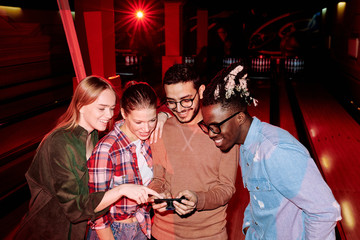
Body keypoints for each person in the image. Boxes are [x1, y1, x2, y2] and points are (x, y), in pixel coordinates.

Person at [199, 62, 342, 239]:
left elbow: (324, 211)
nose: (211, 134)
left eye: (215, 127)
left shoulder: (276, 151)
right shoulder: (246, 146)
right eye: (207, 127)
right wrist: (248, 228)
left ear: (240, 118)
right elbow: (259, 199)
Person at [14, 76, 160, 240]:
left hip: (77, 232)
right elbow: (74, 209)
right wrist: (121, 189)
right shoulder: (59, 142)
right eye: (102, 108)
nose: (109, 115)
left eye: (112, 108)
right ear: (80, 106)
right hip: (48, 232)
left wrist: (161, 117)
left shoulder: (93, 136)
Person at [149, 63, 239, 240]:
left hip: (209, 234)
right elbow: (157, 178)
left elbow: (227, 188)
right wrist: (157, 194)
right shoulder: (160, 128)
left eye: (186, 100)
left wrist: (199, 200)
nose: (180, 109)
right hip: (163, 233)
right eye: (171, 102)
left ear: (201, 91)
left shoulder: (225, 131)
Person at [87, 81, 161, 240]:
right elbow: (95, 210)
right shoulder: (107, 149)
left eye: (152, 120)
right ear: (124, 113)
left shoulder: (149, 141)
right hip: (113, 231)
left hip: (143, 225)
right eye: (139, 122)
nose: (146, 128)